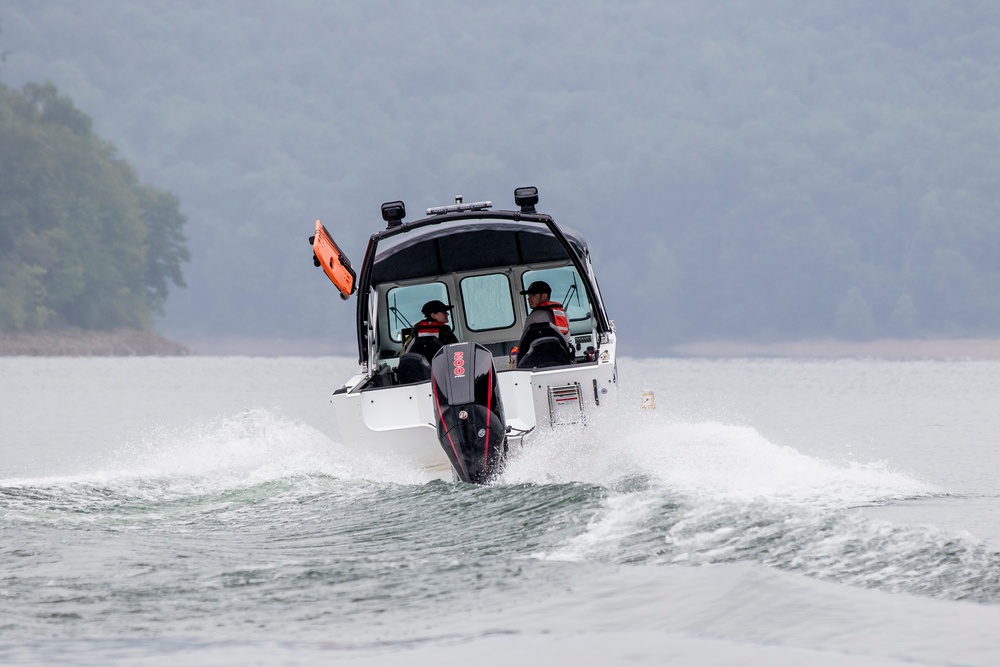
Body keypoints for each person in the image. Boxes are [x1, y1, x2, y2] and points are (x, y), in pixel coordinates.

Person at [519, 281, 571, 345]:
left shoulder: (533, 318)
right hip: (562, 354)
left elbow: (524, 344)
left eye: (533, 295)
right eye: (528, 295)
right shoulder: (563, 315)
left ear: (544, 296)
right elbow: (567, 341)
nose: (528, 299)